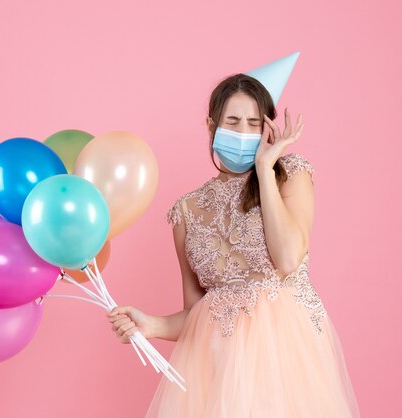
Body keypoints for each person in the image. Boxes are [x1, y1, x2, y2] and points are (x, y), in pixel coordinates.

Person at [106, 73, 361, 417]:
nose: (243, 132)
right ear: (211, 124)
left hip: (286, 364)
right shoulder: (187, 211)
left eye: (254, 123)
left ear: (268, 128)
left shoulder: (291, 175)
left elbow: (287, 257)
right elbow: (197, 315)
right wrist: (150, 325)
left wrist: (265, 168)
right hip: (219, 369)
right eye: (233, 121)